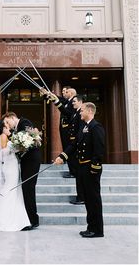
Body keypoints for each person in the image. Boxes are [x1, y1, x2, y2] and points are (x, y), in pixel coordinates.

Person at [55, 102, 105, 238]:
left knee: (93, 200)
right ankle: (91, 227)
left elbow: (99, 151)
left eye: (82, 110)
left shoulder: (96, 127)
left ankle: (97, 230)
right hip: (82, 167)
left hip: (90, 169)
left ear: (89, 111)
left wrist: (94, 169)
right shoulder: (84, 127)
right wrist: (62, 157)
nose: (80, 113)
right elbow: (74, 145)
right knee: (88, 200)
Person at [3, 112, 41, 230]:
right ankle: (29, 218)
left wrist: (17, 147)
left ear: (12, 117)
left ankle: (32, 220)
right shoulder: (18, 128)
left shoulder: (25, 122)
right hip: (26, 161)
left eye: (7, 122)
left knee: (28, 188)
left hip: (32, 161)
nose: (8, 125)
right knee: (26, 188)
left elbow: (32, 138)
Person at [68, 95, 85, 205]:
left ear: (80, 101)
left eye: (74, 101)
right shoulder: (75, 112)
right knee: (78, 174)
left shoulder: (80, 113)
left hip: (77, 146)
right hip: (75, 146)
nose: (72, 103)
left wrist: (75, 143)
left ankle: (81, 197)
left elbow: (80, 130)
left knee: (80, 175)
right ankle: (80, 196)